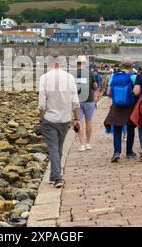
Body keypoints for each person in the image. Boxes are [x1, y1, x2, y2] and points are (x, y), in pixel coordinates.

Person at [38, 53, 81, 188]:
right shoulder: (69, 78)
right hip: (64, 118)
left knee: (53, 148)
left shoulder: (44, 78)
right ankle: (54, 174)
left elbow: (42, 102)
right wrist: (77, 118)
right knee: (59, 148)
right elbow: (75, 101)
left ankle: (57, 177)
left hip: (50, 118)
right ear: (61, 63)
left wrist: (41, 117)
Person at [104, 57, 137, 163]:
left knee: (117, 129)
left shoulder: (114, 76)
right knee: (130, 128)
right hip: (130, 106)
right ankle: (129, 152)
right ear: (131, 66)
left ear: (121, 65)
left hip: (117, 106)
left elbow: (108, 92)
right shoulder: (133, 77)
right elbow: (137, 92)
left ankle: (117, 152)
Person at [75, 55, 99, 152]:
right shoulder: (90, 74)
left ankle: (81, 145)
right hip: (89, 100)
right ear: (85, 63)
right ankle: (88, 143)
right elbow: (95, 87)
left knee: (79, 122)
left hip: (77, 101)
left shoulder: (73, 73)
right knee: (88, 121)